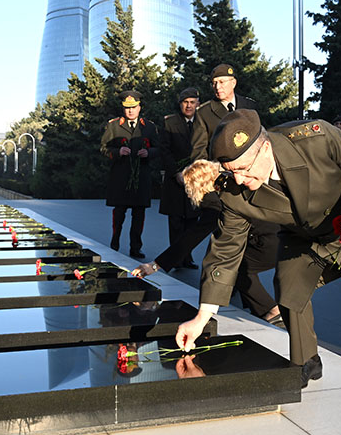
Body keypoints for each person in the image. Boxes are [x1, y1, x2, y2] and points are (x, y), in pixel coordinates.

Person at [175, 110, 341, 395]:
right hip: (303, 238)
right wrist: (202, 316)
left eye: (245, 169)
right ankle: (306, 360)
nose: (239, 180)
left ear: (265, 147)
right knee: (289, 288)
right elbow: (225, 249)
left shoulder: (317, 138)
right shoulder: (233, 190)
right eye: (231, 171)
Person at [137, 65, 281, 325]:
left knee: (227, 261)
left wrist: (155, 266)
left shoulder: (249, 107)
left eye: (222, 81)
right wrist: (205, 173)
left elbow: (263, 141)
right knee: (229, 258)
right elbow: (199, 149)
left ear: (233, 82)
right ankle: (266, 310)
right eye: (214, 82)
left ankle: (269, 310)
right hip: (228, 188)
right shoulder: (205, 113)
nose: (217, 87)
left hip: (269, 232)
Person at [100, 90, 159, 259]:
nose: (130, 111)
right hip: (120, 176)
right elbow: (103, 148)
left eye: (133, 107)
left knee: (139, 214)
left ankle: (136, 247)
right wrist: (117, 151)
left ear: (140, 107)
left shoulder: (149, 126)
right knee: (119, 213)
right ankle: (115, 242)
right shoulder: (114, 125)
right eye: (127, 108)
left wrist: (149, 153)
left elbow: (159, 148)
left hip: (141, 177)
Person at [158, 87, 201, 269]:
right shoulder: (170, 122)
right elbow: (164, 150)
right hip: (175, 179)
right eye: (185, 102)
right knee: (176, 222)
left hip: (196, 179)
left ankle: (187, 256)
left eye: (192, 102)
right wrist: (176, 172)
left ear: (198, 104)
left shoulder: (202, 122)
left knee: (192, 221)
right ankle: (175, 258)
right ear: (180, 104)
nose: (189, 106)